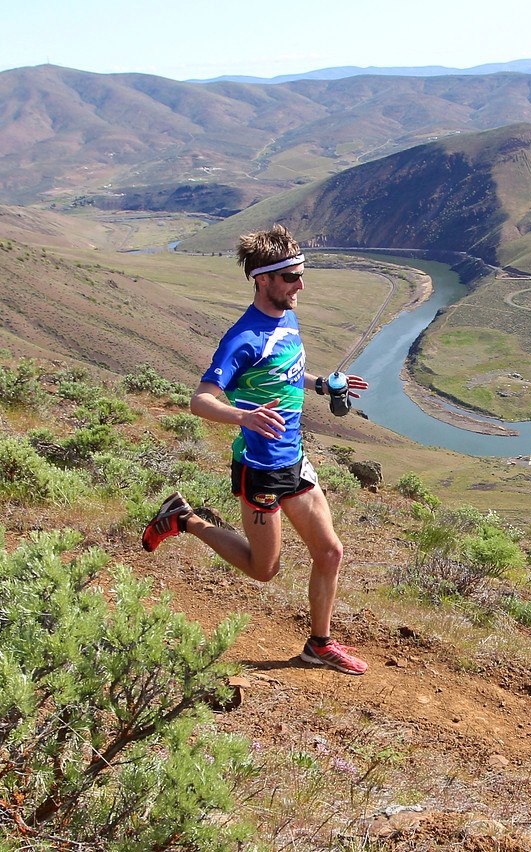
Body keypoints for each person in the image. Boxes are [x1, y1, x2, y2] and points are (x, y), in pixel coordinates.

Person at [141, 225, 371, 676]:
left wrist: (321, 383)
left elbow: (284, 370)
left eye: (301, 274)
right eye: (291, 277)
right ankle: (184, 519)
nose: (300, 285)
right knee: (264, 569)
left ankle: (318, 645)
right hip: (260, 470)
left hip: (294, 459)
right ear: (262, 279)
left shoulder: (286, 316)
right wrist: (242, 417)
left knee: (330, 553)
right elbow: (200, 399)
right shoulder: (242, 339)